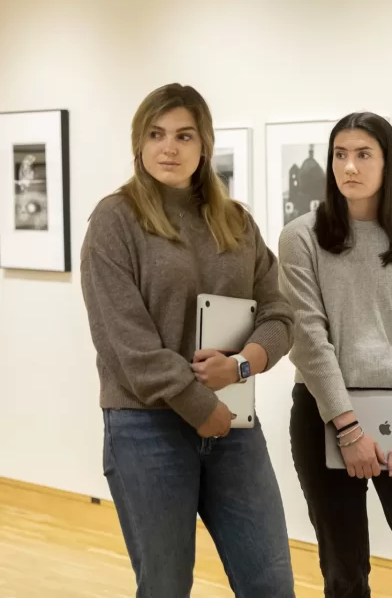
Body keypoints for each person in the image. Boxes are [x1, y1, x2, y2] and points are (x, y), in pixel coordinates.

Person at [80, 82, 296, 597]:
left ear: (204, 146)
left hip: (233, 425)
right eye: (156, 135)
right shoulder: (115, 220)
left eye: (184, 135)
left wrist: (243, 365)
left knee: (271, 584)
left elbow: (280, 313)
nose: (169, 148)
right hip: (146, 428)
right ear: (139, 143)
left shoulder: (236, 221)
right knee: (166, 587)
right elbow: (126, 342)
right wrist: (199, 404)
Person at [278, 111, 392, 598]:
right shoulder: (301, 237)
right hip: (325, 415)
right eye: (340, 154)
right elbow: (309, 340)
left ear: (388, 163)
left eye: (364, 154)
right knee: (345, 574)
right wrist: (348, 429)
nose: (349, 167)